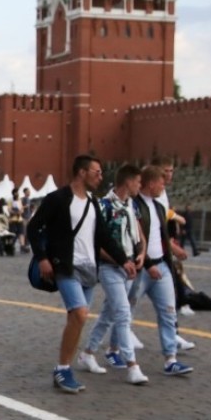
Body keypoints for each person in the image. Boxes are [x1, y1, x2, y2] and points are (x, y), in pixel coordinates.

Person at [25, 155, 136, 394]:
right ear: (82, 173)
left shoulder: (93, 203)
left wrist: (123, 260)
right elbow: (34, 228)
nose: (100, 176)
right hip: (65, 266)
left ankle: (67, 365)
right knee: (80, 313)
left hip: (89, 268)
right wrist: (43, 258)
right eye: (96, 172)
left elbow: (104, 236)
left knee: (76, 319)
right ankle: (63, 368)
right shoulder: (58, 199)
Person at [78, 164, 149, 385]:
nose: (140, 185)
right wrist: (120, 260)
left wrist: (142, 255)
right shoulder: (103, 206)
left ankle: (88, 353)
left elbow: (139, 234)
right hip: (110, 267)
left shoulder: (132, 205)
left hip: (129, 266)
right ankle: (132, 365)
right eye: (138, 181)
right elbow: (97, 243)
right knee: (122, 312)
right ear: (127, 182)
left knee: (109, 313)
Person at [131, 165, 195, 377]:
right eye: (160, 182)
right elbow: (134, 239)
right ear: (150, 184)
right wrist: (147, 264)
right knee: (123, 313)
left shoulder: (158, 207)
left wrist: (173, 251)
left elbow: (162, 236)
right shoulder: (135, 206)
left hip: (162, 266)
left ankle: (170, 359)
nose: (163, 185)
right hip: (141, 268)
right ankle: (111, 350)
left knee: (169, 312)